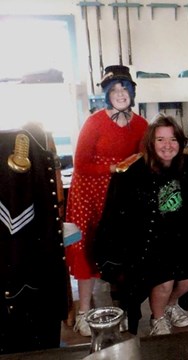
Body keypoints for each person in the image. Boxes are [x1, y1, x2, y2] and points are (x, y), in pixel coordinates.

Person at [94, 114, 188, 336]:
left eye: (172, 139)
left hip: (180, 239)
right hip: (148, 241)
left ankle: (170, 306)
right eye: (160, 140)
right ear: (151, 143)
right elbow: (119, 213)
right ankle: (158, 318)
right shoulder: (135, 170)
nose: (167, 145)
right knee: (165, 281)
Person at [65, 65, 147, 336]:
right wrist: (114, 168)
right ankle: (84, 311)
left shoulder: (141, 124)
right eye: (115, 89)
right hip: (89, 194)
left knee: (119, 250)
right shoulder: (95, 122)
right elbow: (80, 163)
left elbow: (144, 159)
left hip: (119, 197)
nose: (121, 94)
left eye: (125, 88)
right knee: (86, 251)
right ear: (107, 94)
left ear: (132, 92)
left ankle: (120, 309)